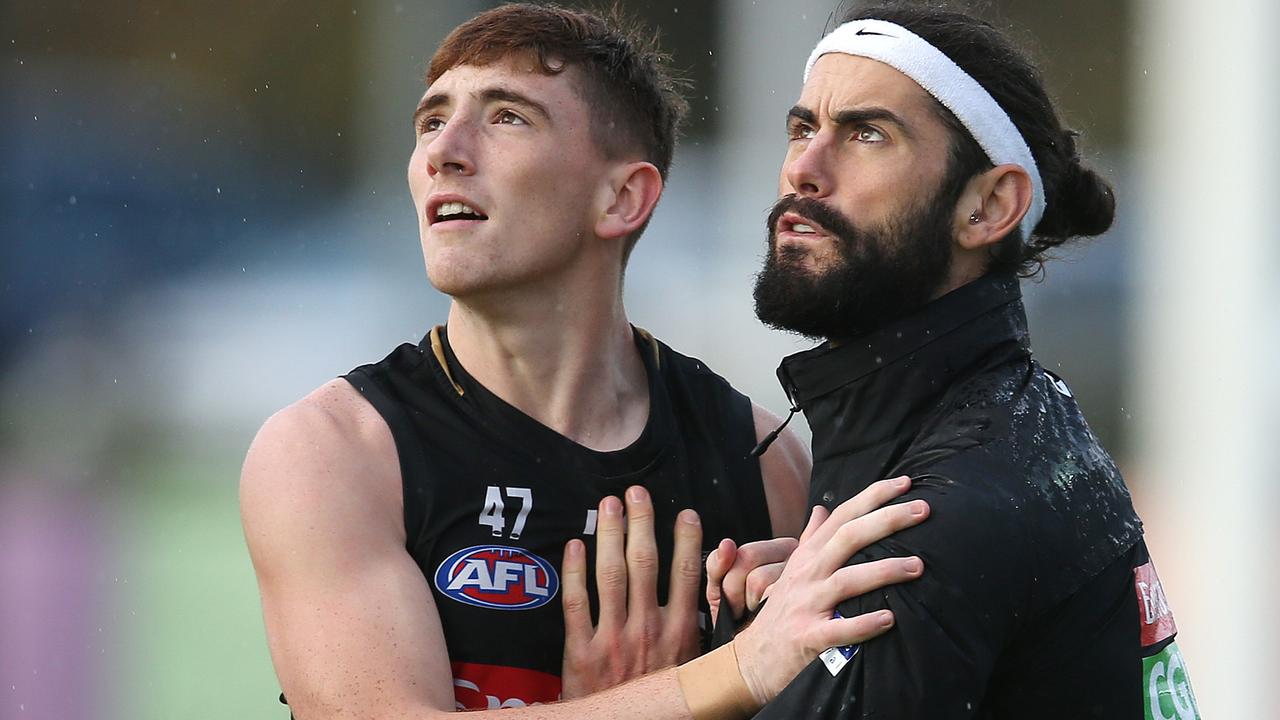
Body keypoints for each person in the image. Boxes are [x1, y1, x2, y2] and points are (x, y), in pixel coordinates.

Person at [240, 4, 928, 719]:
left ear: (623, 197)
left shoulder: (765, 466)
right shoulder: (332, 454)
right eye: (432, 121)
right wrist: (724, 679)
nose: (446, 150)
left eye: (507, 117)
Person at [732, 3, 1201, 718]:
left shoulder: (926, 519)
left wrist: (687, 683)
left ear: (988, 207)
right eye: (803, 128)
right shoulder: (1005, 421)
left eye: (865, 134)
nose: (805, 168)